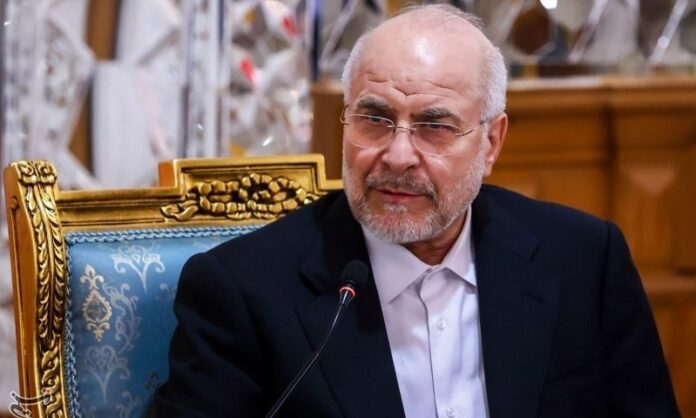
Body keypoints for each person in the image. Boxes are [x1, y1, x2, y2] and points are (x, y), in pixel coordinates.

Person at [153, 5, 679, 418]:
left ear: (491, 143)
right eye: (375, 119)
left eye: (434, 126)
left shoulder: (583, 260)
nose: (398, 155)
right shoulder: (242, 291)